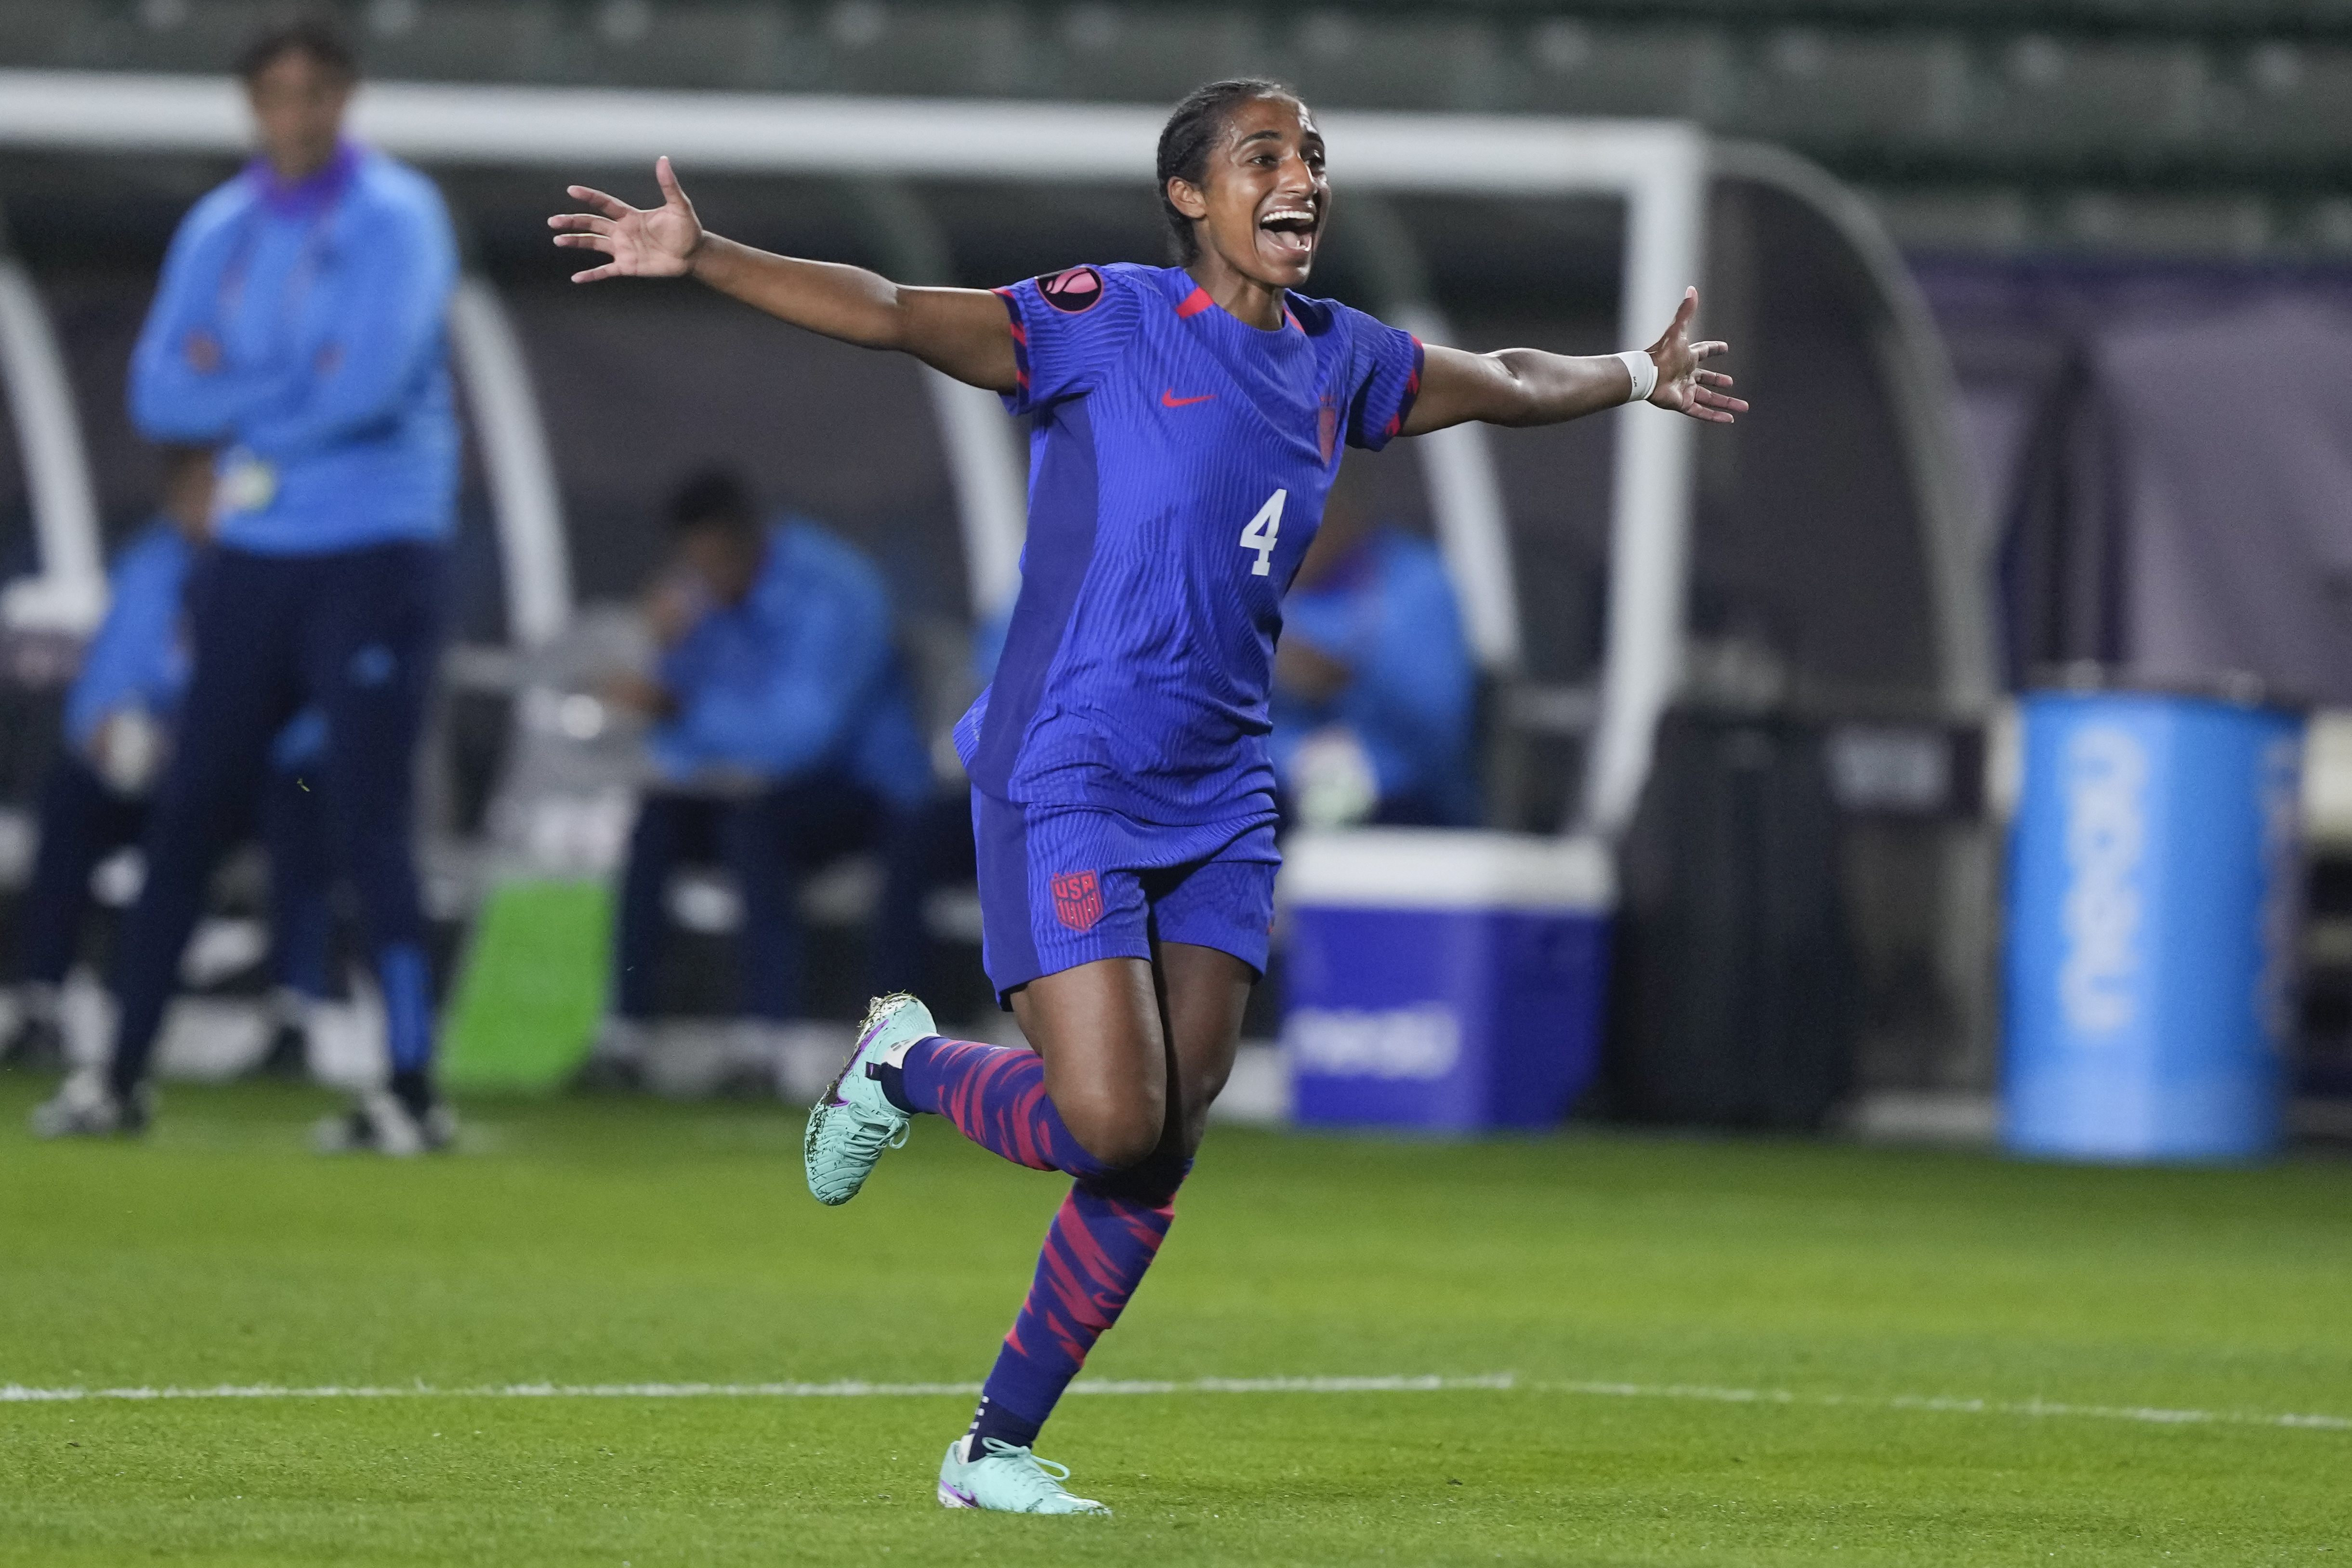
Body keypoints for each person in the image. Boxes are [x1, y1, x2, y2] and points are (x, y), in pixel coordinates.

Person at [550, 77, 1742, 1512]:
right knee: (1113, 1120)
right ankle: (904, 1063)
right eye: (1263, 156)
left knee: (1163, 1135)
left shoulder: (1337, 361)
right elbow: (889, 308)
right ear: (1191, 196)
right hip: (1068, 764)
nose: (1298, 176)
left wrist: (1630, 370)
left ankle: (990, 1447)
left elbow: (1493, 376)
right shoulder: (1101, 317)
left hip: (1224, 788)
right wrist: (711, 255)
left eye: (1310, 156)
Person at [34, 20, 461, 1152]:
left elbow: (370, 383)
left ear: (345, 99)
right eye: (277, 93)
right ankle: (119, 1077)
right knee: (188, 812)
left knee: (368, 822)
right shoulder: (217, 228)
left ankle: (410, 1094)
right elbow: (159, 395)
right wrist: (284, 392)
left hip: (376, 546)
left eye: (316, 92)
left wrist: (243, 394)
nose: (297, 113)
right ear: (251, 106)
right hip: (256, 552)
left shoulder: (399, 217)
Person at [2, 448, 335, 1076]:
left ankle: (296, 1014)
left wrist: (240, 747)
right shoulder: (153, 564)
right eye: (198, 488)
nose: (210, 502)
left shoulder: (291, 571)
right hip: (168, 765)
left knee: (304, 798)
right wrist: (108, 731)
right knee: (72, 792)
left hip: (270, 769)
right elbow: (106, 684)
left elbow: (320, 706)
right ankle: (43, 1000)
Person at [595, 469, 930, 1067]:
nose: (704, 580)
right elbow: (664, 732)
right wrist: (662, 649)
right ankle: (625, 1035)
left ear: (748, 539)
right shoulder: (700, 593)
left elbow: (802, 737)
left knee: (753, 830)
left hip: (865, 790)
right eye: (693, 565)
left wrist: (681, 709)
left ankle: (763, 1040)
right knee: (657, 823)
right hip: (754, 788)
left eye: (714, 563)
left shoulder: (834, 589)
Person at [1269, 471, 1479, 830]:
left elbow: (1439, 732)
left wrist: (1345, 681)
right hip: (1273, 795)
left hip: (1399, 800)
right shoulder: (1254, 578)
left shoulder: (1418, 582)